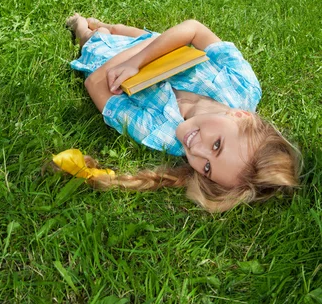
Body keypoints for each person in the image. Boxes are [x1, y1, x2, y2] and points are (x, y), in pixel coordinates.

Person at [62, 13, 301, 212]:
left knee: (93, 37)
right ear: (241, 116)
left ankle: (82, 25)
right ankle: (112, 27)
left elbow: (94, 83)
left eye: (207, 168)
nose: (195, 150)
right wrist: (141, 58)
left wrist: (162, 46)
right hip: (148, 42)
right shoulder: (242, 85)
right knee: (124, 31)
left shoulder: (161, 134)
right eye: (217, 145)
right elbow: (195, 28)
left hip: (107, 56)